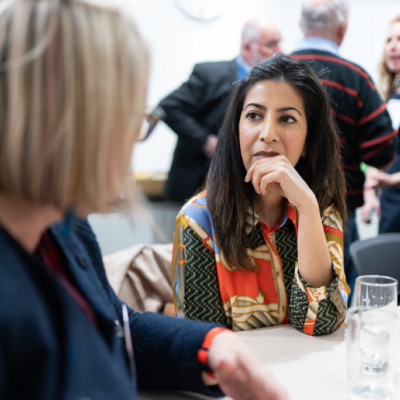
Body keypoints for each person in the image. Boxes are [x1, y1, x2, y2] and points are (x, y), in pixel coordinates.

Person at [0, 1, 289, 400]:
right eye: (130, 118)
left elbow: (114, 328)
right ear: (64, 121)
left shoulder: (64, 226)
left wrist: (212, 344)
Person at [171, 54, 349, 336]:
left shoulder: (321, 209)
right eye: (254, 115)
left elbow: (322, 322)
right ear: (236, 129)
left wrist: (306, 207)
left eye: (287, 119)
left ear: (307, 141)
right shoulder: (198, 222)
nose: (267, 134)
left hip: (314, 375)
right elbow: (202, 347)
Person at [291, 0, 397, 304]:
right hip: (336, 210)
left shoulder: (270, 72)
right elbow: (381, 151)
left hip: (274, 209)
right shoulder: (356, 78)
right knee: (336, 301)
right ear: (343, 28)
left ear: (302, 26)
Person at [159, 18, 282, 203]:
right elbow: (169, 107)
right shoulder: (210, 74)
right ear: (247, 47)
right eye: (272, 44)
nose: (280, 51)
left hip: (245, 193)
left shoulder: (278, 86)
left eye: (280, 43)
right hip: (197, 184)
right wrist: (205, 141)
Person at [361, 16, 400, 234]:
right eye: (389, 40)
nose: (393, 47)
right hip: (390, 206)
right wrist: (369, 192)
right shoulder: (388, 97)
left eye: (399, 39)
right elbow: (377, 152)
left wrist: (392, 179)